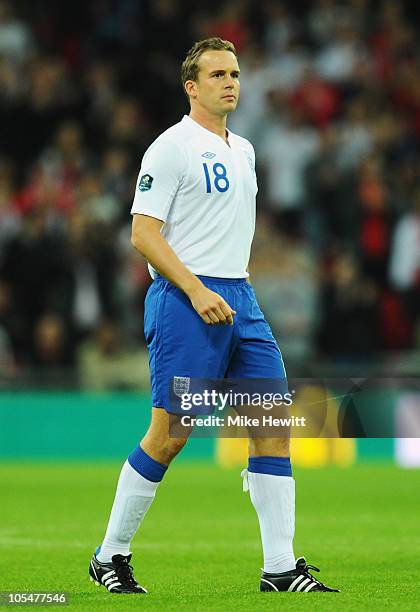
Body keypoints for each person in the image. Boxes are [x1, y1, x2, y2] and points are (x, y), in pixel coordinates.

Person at [88, 37, 339, 595]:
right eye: (218, 74)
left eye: (235, 73)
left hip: (240, 301)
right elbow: (143, 233)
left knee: (272, 428)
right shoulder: (170, 147)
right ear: (191, 86)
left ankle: (279, 568)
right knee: (171, 435)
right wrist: (196, 288)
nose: (231, 82)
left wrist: (228, 288)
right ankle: (110, 555)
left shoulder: (244, 149)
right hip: (185, 301)